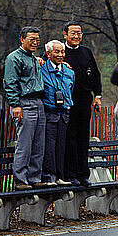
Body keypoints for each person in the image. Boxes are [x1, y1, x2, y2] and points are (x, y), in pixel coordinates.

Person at [3, 26, 46, 190]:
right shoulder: (13, 58)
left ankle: (34, 177)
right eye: (31, 40)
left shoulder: (34, 59)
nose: (35, 43)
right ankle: (20, 179)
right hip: (24, 103)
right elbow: (10, 83)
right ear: (22, 39)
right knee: (25, 143)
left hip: (38, 102)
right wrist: (15, 105)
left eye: (37, 40)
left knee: (38, 143)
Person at [63, 21, 102, 186]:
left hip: (84, 99)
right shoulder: (59, 51)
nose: (76, 36)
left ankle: (83, 174)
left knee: (83, 137)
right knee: (69, 137)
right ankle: (70, 174)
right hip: (66, 101)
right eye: (73, 33)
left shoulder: (86, 52)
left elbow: (95, 75)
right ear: (65, 34)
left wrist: (97, 95)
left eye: (79, 33)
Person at [41, 40, 75, 186]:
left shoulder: (69, 72)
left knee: (62, 145)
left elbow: (70, 90)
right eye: (57, 51)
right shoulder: (41, 69)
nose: (60, 55)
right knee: (49, 146)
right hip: (49, 113)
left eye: (62, 51)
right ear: (49, 54)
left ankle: (60, 176)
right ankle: (49, 176)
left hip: (64, 113)